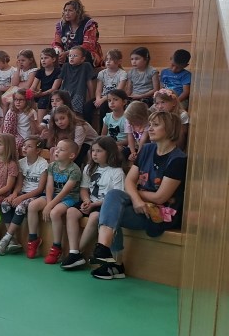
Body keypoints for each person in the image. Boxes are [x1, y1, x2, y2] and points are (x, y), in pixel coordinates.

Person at [91, 111, 187, 280]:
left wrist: (137, 194)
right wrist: (136, 200)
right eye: (150, 125)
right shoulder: (147, 149)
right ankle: (104, 249)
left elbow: (160, 197)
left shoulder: (178, 159)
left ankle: (115, 264)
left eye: (156, 125)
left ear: (170, 129)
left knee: (111, 210)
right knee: (113, 197)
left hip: (159, 214)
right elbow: (129, 181)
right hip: (140, 206)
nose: (150, 128)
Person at [60, 137, 125, 270]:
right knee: (71, 211)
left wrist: (94, 205)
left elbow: (117, 197)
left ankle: (78, 252)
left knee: (95, 216)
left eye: (99, 151)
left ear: (109, 152)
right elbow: (84, 189)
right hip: (90, 202)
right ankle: (73, 251)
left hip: (105, 206)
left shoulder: (117, 172)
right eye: (93, 150)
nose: (94, 154)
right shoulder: (89, 168)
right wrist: (86, 200)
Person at [26, 139, 82, 261]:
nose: (57, 151)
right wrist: (49, 202)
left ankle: (57, 247)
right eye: (57, 148)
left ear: (71, 155)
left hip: (69, 198)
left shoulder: (75, 170)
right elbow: (49, 186)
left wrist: (50, 206)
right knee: (32, 206)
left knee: (55, 213)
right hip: (52, 196)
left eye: (61, 150)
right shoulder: (52, 166)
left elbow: (65, 191)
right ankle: (33, 239)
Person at [0, 136, 49, 256]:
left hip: (36, 195)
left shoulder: (43, 164)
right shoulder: (21, 162)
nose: (24, 148)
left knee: (20, 207)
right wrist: (14, 194)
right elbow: (19, 184)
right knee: (5, 204)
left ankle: (6, 238)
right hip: (22, 193)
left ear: (38, 150)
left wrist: (21, 198)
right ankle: (13, 240)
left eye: (29, 146)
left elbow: (40, 189)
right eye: (24, 146)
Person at [51, 0, 102, 66]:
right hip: (66, 55)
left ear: (78, 12)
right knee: (49, 56)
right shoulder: (61, 25)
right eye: (65, 10)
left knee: (85, 56)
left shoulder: (88, 24)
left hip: (83, 54)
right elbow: (56, 43)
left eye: (70, 10)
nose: (67, 13)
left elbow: (88, 46)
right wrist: (59, 52)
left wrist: (68, 53)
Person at [28, 47, 62, 117]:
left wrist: (41, 94)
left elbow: (54, 88)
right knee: (25, 97)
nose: (43, 60)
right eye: (42, 58)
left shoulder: (58, 71)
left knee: (43, 101)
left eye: (46, 58)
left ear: (53, 59)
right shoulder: (40, 71)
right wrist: (31, 93)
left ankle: (40, 122)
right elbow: (33, 86)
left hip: (52, 94)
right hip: (41, 93)